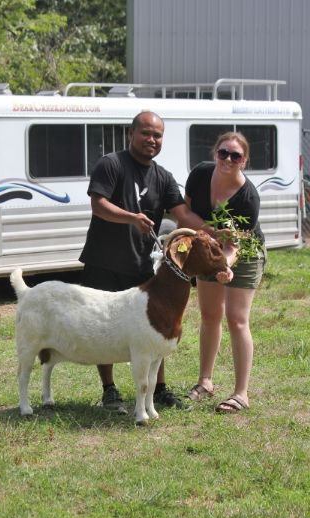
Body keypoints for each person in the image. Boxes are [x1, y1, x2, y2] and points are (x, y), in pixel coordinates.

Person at [79, 111, 205, 414]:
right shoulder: (111, 164)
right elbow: (99, 205)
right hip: (104, 261)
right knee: (103, 325)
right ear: (130, 134)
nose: (152, 140)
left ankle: (159, 389)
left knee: (156, 327)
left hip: (143, 266)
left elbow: (182, 214)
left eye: (157, 135)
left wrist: (212, 232)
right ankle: (109, 390)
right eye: (146, 133)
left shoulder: (162, 176)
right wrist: (130, 217)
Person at [182, 131, 266, 412]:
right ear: (215, 153)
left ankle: (241, 394)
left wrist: (225, 267)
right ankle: (205, 381)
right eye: (223, 153)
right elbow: (188, 213)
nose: (228, 159)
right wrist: (203, 241)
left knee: (236, 319)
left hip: (242, 253)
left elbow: (237, 246)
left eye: (235, 156)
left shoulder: (248, 197)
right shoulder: (200, 175)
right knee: (209, 314)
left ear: (244, 161)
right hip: (209, 247)